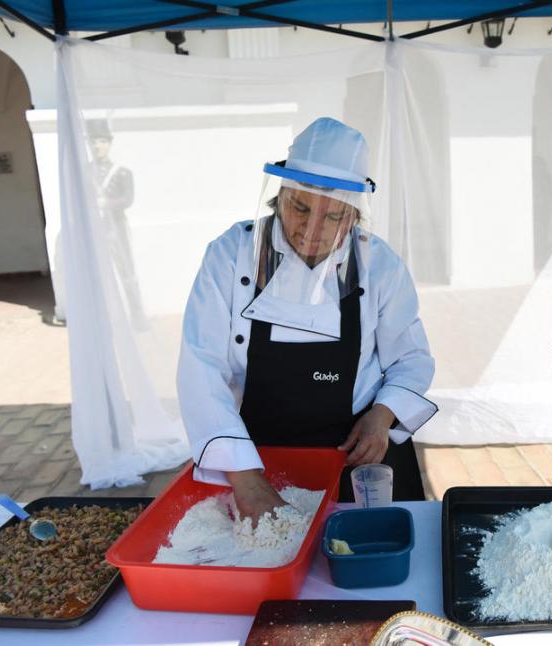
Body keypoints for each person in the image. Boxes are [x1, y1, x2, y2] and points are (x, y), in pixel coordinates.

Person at [177, 117, 437, 521]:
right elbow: (201, 368)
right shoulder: (230, 255)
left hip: (357, 457)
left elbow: (412, 359)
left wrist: (382, 415)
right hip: (255, 458)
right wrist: (246, 480)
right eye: (300, 207)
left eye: (332, 216)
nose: (311, 229)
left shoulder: (378, 265)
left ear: (353, 217)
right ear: (279, 196)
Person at [86, 119, 147, 326]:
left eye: (102, 141)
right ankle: (104, 318)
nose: (98, 146)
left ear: (109, 144)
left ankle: (137, 316)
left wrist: (106, 202)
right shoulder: (85, 173)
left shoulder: (122, 172)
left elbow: (128, 199)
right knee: (98, 274)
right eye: (94, 142)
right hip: (95, 229)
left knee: (127, 273)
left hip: (117, 228)